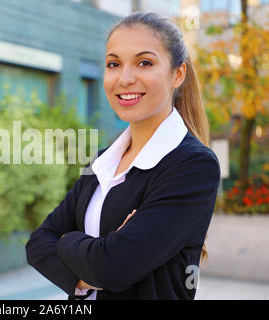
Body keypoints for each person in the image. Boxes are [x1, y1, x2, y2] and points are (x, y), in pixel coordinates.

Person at [25, 11, 221, 300]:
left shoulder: (193, 165)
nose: (125, 78)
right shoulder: (103, 161)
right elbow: (38, 243)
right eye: (114, 64)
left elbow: (112, 269)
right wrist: (88, 270)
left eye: (144, 62)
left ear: (177, 74)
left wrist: (67, 240)